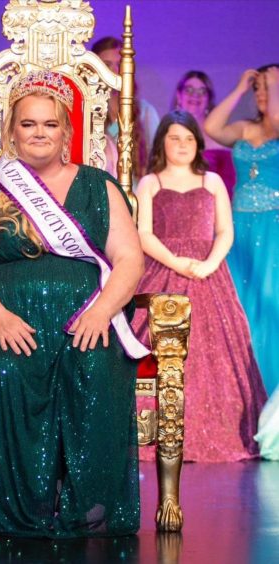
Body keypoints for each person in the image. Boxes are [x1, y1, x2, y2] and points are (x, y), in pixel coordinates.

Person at [0, 70, 147, 537]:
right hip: (1, 325)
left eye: (50, 124)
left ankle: (87, 505)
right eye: (29, 124)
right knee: (5, 371)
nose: (39, 133)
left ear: (67, 133)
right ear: (12, 132)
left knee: (96, 368)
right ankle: (24, 508)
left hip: (90, 321)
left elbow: (129, 261)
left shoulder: (99, 186)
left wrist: (101, 311)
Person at [132, 110, 266, 463]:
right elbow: (143, 234)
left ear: (198, 143)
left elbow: (225, 231)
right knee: (157, 349)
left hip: (209, 275)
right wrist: (177, 263)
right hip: (164, 270)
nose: (182, 145)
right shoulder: (151, 183)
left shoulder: (212, 182)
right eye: (175, 137)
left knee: (217, 352)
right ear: (162, 141)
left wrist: (207, 265)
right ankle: (153, 432)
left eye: (189, 138)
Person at [205, 65, 279, 459]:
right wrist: (239, 87)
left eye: (270, 87)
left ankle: (271, 407)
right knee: (241, 312)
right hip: (240, 231)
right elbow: (212, 127)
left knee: (270, 308)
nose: (264, 93)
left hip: (274, 230)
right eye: (260, 87)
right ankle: (244, 411)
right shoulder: (246, 129)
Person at [91, 36, 160, 185]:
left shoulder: (145, 112)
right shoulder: (85, 112)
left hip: (137, 200)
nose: (115, 71)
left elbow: (158, 164)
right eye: (107, 65)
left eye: (120, 65)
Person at [172, 70, 236, 198]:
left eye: (202, 91)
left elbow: (229, 182)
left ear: (208, 99)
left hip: (215, 208)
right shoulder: (167, 134)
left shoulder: (219, 134)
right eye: (189, 90)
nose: (195, 95)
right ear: (179, 96)